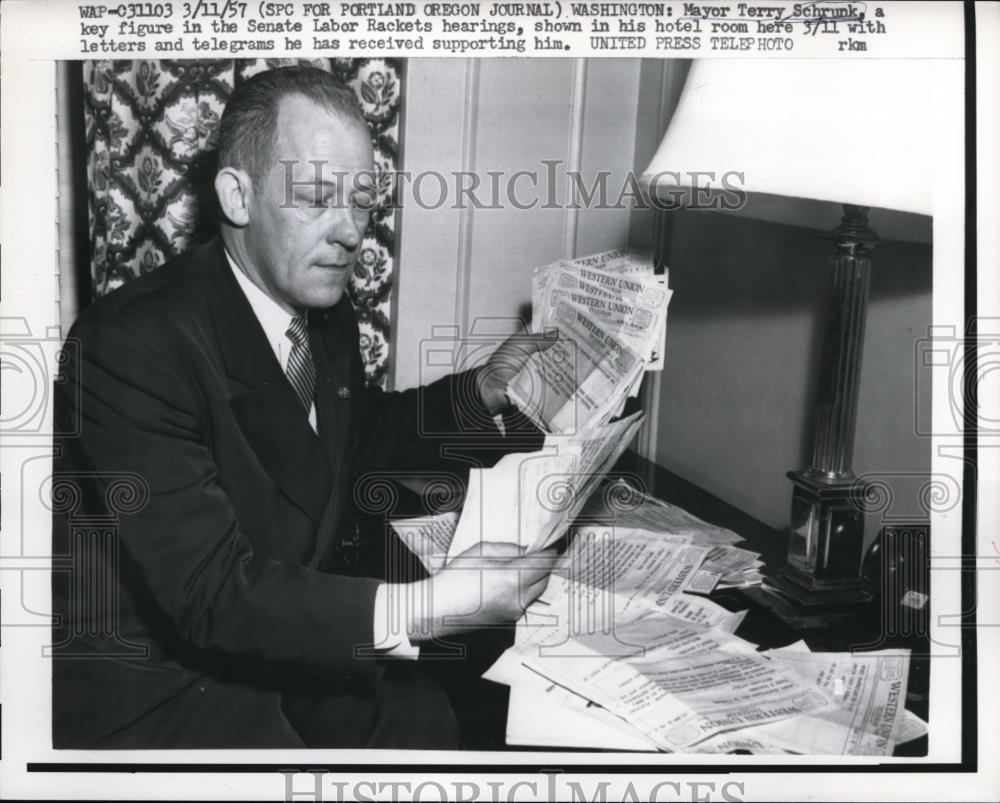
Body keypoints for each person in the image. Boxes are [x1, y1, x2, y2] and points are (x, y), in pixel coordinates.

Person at [52, 65, 556, 749]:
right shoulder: (128, 346)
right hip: (168, 688)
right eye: (318, 197)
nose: (350, 232)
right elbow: (211, 590)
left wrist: (478, 392)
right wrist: (430, 604)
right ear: (237, 195)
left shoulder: (319, 309)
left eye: (362, 202)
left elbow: (352, 437)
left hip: (280, 639)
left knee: (437, 716)